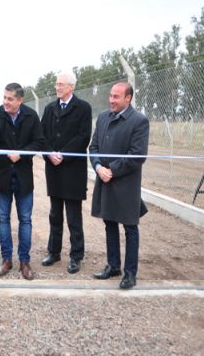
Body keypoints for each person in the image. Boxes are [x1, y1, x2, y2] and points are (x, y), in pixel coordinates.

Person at [89, 82, 149, 290]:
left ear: (128, 98)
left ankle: (130, 273)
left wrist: (112, 170)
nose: (111, 100)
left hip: (126, 183)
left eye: (116, 97)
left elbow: (138, 155)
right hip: (104, 178)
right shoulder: (103, 117)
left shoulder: (139, 121)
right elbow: (93, 147)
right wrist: (97, 167)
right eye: (111, 96)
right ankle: (113, 265)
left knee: (130, 228)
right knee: (109, 223)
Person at [0, 83, 45, 280]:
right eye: (4, 97)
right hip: (2, 178)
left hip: (23, 179)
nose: (6, 102)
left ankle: (24, 261)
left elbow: (38, 142)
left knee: (25, 220)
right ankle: (6, 259)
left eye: (10, 99)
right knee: (3, 219)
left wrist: (22, 154)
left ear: (20, 100)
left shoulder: (31, 117)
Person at [40, 73, 92, 274]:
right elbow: (42, 134)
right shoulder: (50, 108)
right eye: (56, 84)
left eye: (60, 84)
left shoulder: (83, 108)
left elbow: (83, 136)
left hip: (72, 170)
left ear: (71, 86)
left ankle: (76, 256)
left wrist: (63, 154)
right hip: (53, 168)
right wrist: (50, 154)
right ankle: (54, 252)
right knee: (55, 214)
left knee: (73, 215)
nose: (57, 87)